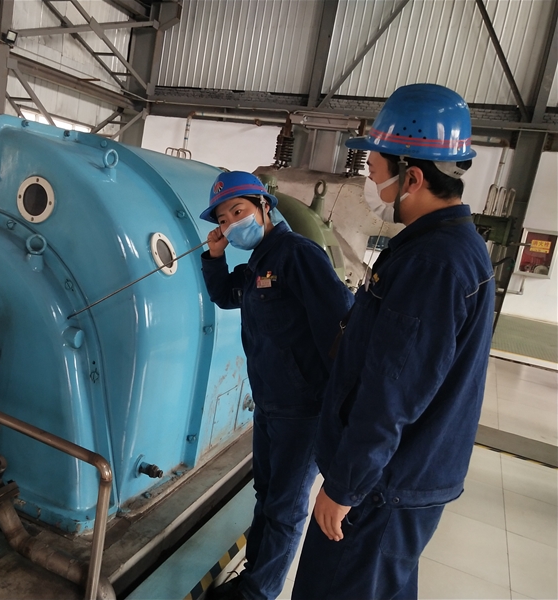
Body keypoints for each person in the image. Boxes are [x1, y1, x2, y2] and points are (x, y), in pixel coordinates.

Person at [291, 83, 495, 600]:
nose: (369, 182)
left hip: (382, 488)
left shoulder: (434, 262)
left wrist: (346, 485)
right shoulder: (446, 247)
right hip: (396, 480)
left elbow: (393, 390)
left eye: (374, 170)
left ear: (414, 176)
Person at [200, 171, 353, 600]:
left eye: (238, 211)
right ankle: (255, 576)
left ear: (264, 206)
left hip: (305, 410)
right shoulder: (258, 262)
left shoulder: (297, 254)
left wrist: (340, 405)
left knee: (285, 506)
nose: (232, 223)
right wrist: (214, 256)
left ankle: (258, 594)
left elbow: (341, 325)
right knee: (267, 494)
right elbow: (227, 296)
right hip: (270, 404)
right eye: (224, 219)